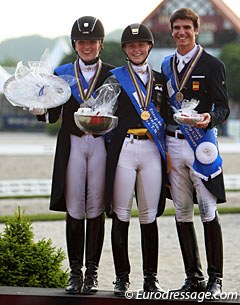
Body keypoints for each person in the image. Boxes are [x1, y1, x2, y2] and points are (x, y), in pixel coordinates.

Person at [29, 16, 114, 295]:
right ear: (74, 45)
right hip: (74, 144)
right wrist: (40, 110)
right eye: (81, 42)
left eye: (92, 41)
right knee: (75, 206)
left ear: (100, 44)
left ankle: (93, 273)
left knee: (97, 206)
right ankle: (75, 273)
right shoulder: (60, 73)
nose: (87, 46)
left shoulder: (113, 74)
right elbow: (53, 113)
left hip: (101, 143)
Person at [161, 8, 230, 298]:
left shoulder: (213, 65)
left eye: (186, 27)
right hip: (173, 143)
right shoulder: (165, 65)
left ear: (196, 29)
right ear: (172, 30)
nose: (181, 33)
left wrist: (209, 119)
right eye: (176, 28)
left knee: (208, 211)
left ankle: (216, 279)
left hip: (200, 143)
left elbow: (222, 107)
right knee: (181, 213)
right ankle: (194, 277)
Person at [104, 23, 168, 296]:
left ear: (149, 47)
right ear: (125, 50)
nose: (137, 49)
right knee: (120, 214)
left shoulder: (161, 80)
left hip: (152, 149)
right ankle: (121, 277)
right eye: (131, 46)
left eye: (141, 45)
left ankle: (150, 278)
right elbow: (102, 110)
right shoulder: (115, 79)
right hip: (125, 149)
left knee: (149, 216)